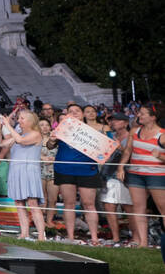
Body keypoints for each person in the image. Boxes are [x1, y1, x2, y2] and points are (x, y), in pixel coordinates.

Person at [52, 103, 103, 244]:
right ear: (66, 114)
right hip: (64, 169)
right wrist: (52, 139)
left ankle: (94, 237)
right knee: (69, 203)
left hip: (87, 170)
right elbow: (50, 145)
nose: (74, 113)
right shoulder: (61, 129)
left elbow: (102, 151)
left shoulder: (93, 131)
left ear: (83, 114)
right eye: (71, 111)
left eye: (77, 111)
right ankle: (70, 237)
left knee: (89, 204)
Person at [119, 101, 165, 248]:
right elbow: (127, 151)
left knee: (163, 208)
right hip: (135, 174)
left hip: (157, 175)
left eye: (142, 113)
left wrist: (160, 156)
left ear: (153, 117)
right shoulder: (134, 131)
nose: (138, 115)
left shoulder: (162, 135)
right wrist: (120, 167)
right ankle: (143, 243)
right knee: (138, 208)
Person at [0, 111, 47, 240]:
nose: (19, 120)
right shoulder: (17, 135)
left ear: (31, 121)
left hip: (29, 171)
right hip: (16, 170)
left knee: (32, 203)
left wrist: (7, 124)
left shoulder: (35, 134)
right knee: (19, 203)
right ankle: (24, 233)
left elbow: (21, 141)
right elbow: (0, 144)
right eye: (19, 118)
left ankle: (41, 235)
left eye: (22, 118)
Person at [100, 112, 133, 244]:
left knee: (129, 207)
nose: (113, 122)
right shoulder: (109, 137)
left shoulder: (131, 137)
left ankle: (136, 237)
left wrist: (120, 148)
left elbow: (131, 154)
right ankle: (115, 237)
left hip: (125, 176)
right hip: (107, 175)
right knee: (108, 206)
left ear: (125, 123)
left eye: (117, 120)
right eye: (112, 120)